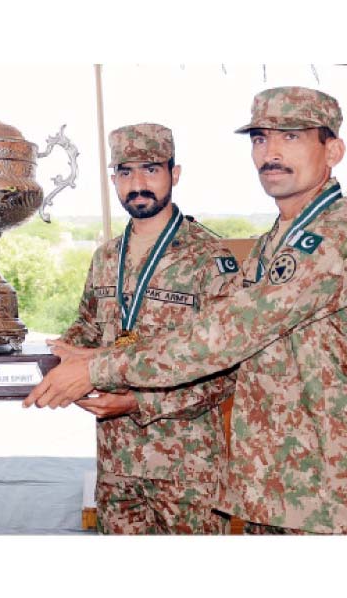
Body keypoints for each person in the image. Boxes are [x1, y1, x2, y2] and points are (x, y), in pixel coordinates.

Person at [24, 87, 347, 534]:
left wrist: (99, 370)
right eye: (260, 139)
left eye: (293, 137)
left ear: (333, 150)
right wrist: (75, 359)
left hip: (332, 500)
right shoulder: (273, 241)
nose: (272, 152)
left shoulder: (333, 240)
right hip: (275, 491)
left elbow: (222, 336)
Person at [56, 123, 240, 534]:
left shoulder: (210, 259)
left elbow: (229, 371)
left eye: (150, 170)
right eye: (125, 172)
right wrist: (49, 360)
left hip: (186, 471)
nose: (137, 184)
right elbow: (87, 327)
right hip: (116, 464)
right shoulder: (106, 257)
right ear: (113, 179)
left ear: (174, 174)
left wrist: (140, 403)